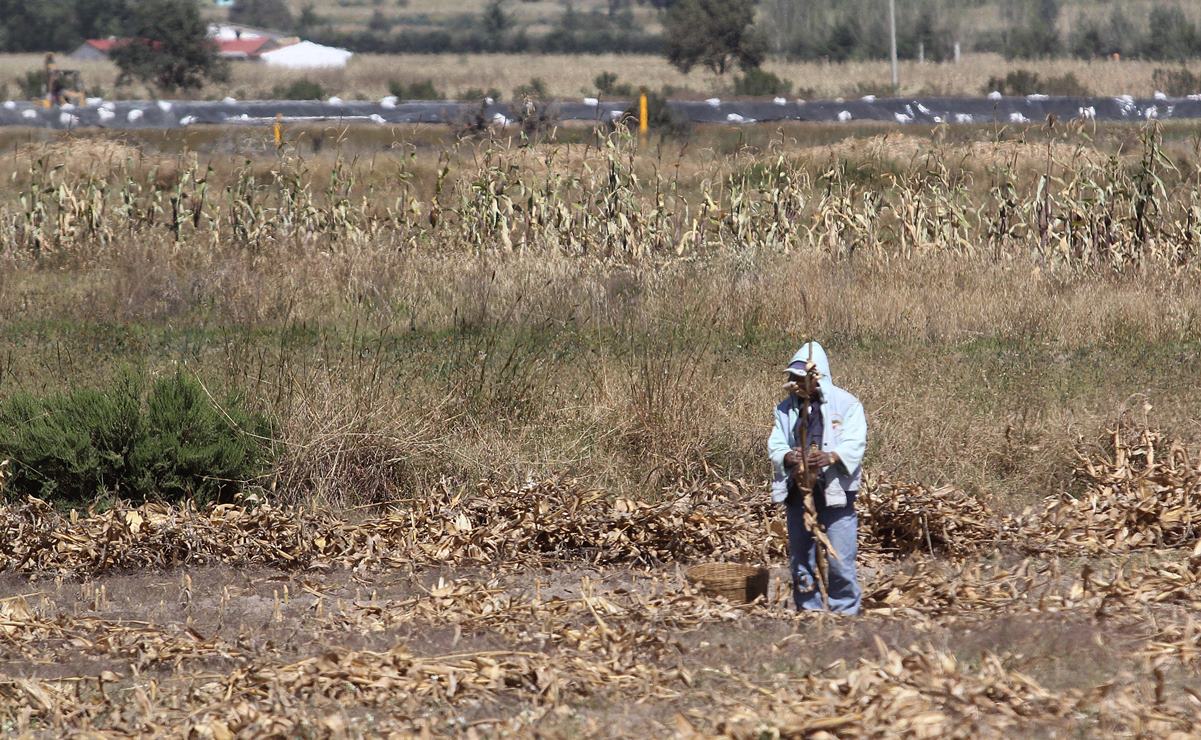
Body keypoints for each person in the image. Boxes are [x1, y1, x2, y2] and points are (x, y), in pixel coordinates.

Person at [768, 341, 867, 615]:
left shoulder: (847, 404)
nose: (796, 384)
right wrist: (789, 456)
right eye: (794, 378)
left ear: (817, 377)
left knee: (839, 557)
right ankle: (809, 611)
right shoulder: (785, 409)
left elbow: (855, 442)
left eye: (803, 378)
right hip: (799, 491)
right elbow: (776, 443)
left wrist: (830, 457)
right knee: (801, 557)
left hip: (835, 491)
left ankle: (844, 610)